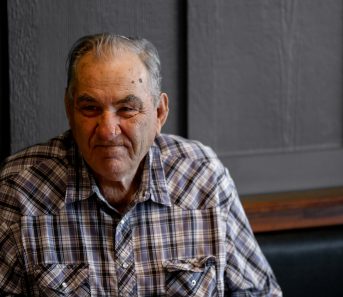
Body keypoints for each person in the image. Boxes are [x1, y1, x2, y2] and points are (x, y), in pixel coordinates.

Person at [0, 33, 281, 296]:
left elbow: (260, 292)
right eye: (90, 108)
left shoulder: (203, 176)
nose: (108, 130)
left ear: (159, 113)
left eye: (127, 109)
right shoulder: (19, 188)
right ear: (70, 109)